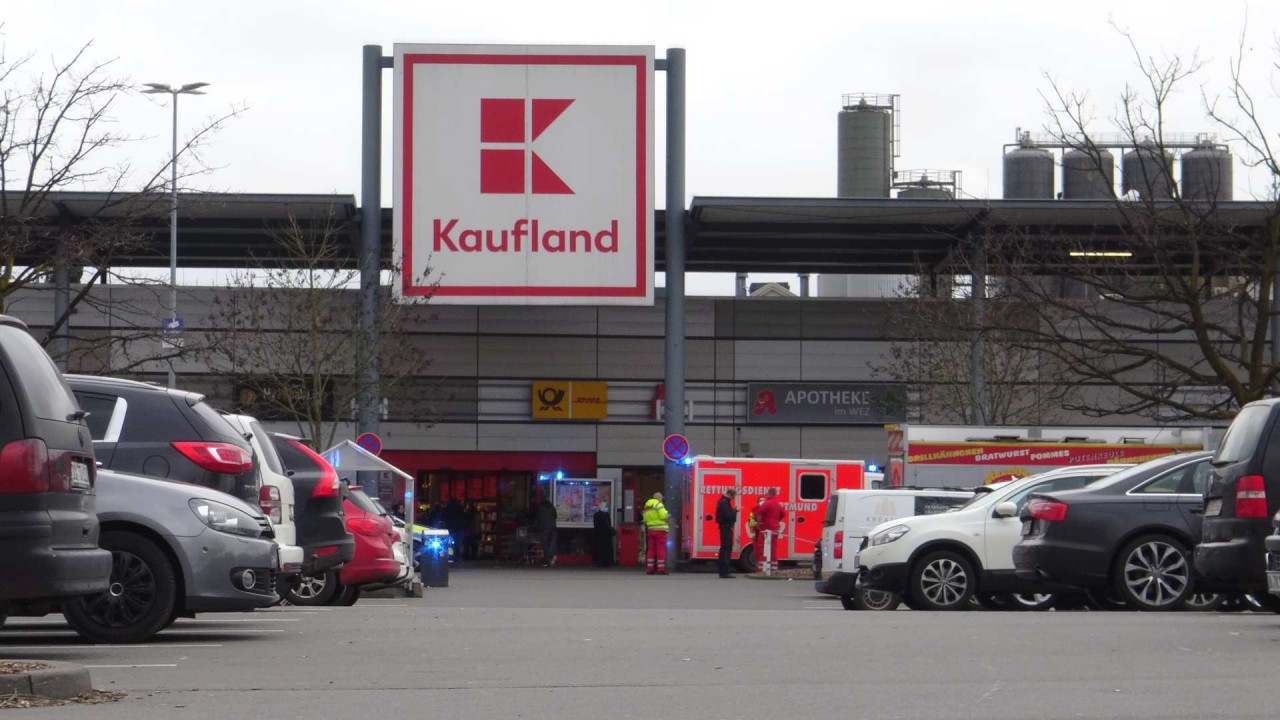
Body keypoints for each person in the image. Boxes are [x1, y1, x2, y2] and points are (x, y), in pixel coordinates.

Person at [752, 488, 785, 574]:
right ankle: (773, 567)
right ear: (775, 494)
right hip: (775, 529)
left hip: (766, 529)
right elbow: (783, 514)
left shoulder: (767, 503)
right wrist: (777, 521)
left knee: (762, 548)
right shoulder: (777, 504)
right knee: (773, 548)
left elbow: (759, 512)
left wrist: (759, 523)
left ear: (768, 493)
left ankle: (761, 568)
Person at [642, 491, 670, 575]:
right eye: (661, 498)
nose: (662, 500)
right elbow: (663, 515)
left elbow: (645, 519)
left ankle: (650, 569)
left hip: (651, 530)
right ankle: (661, 569)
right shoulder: (659, 505)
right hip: (660, 530)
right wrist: (668, 515)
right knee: (660, 549)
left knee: (651, 549)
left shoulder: (647, 506)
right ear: (659, 498)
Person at [715, 487, 738, 578]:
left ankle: (723, 570)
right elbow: (727, 515)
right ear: (730, 494)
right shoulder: (725, 503)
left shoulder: (722, 501)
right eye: (733, 496)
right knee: (726, 549)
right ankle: (725, 571)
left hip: (724, 528)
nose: (733, 498)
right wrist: (735, 511)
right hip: (726, 528)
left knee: (724, 548)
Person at [591, 501, 616, 567]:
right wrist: (612, 531)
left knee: (598, 549)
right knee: (606, 549)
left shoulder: (596, 515)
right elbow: (608, 524)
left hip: (598, 535)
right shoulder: (605, 515)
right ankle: (606, 562)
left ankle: (598, 562)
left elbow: (595, 525)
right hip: (606, 535)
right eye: (606, 507)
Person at [535, 497, 558, 567]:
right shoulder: (552, 508)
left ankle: (549, 557)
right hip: (553, 528)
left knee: (544, 544)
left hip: (544, 528)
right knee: (552, 544)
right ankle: (551, 557)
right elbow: (555, 516)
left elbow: (538, 518)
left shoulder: (541, 509)